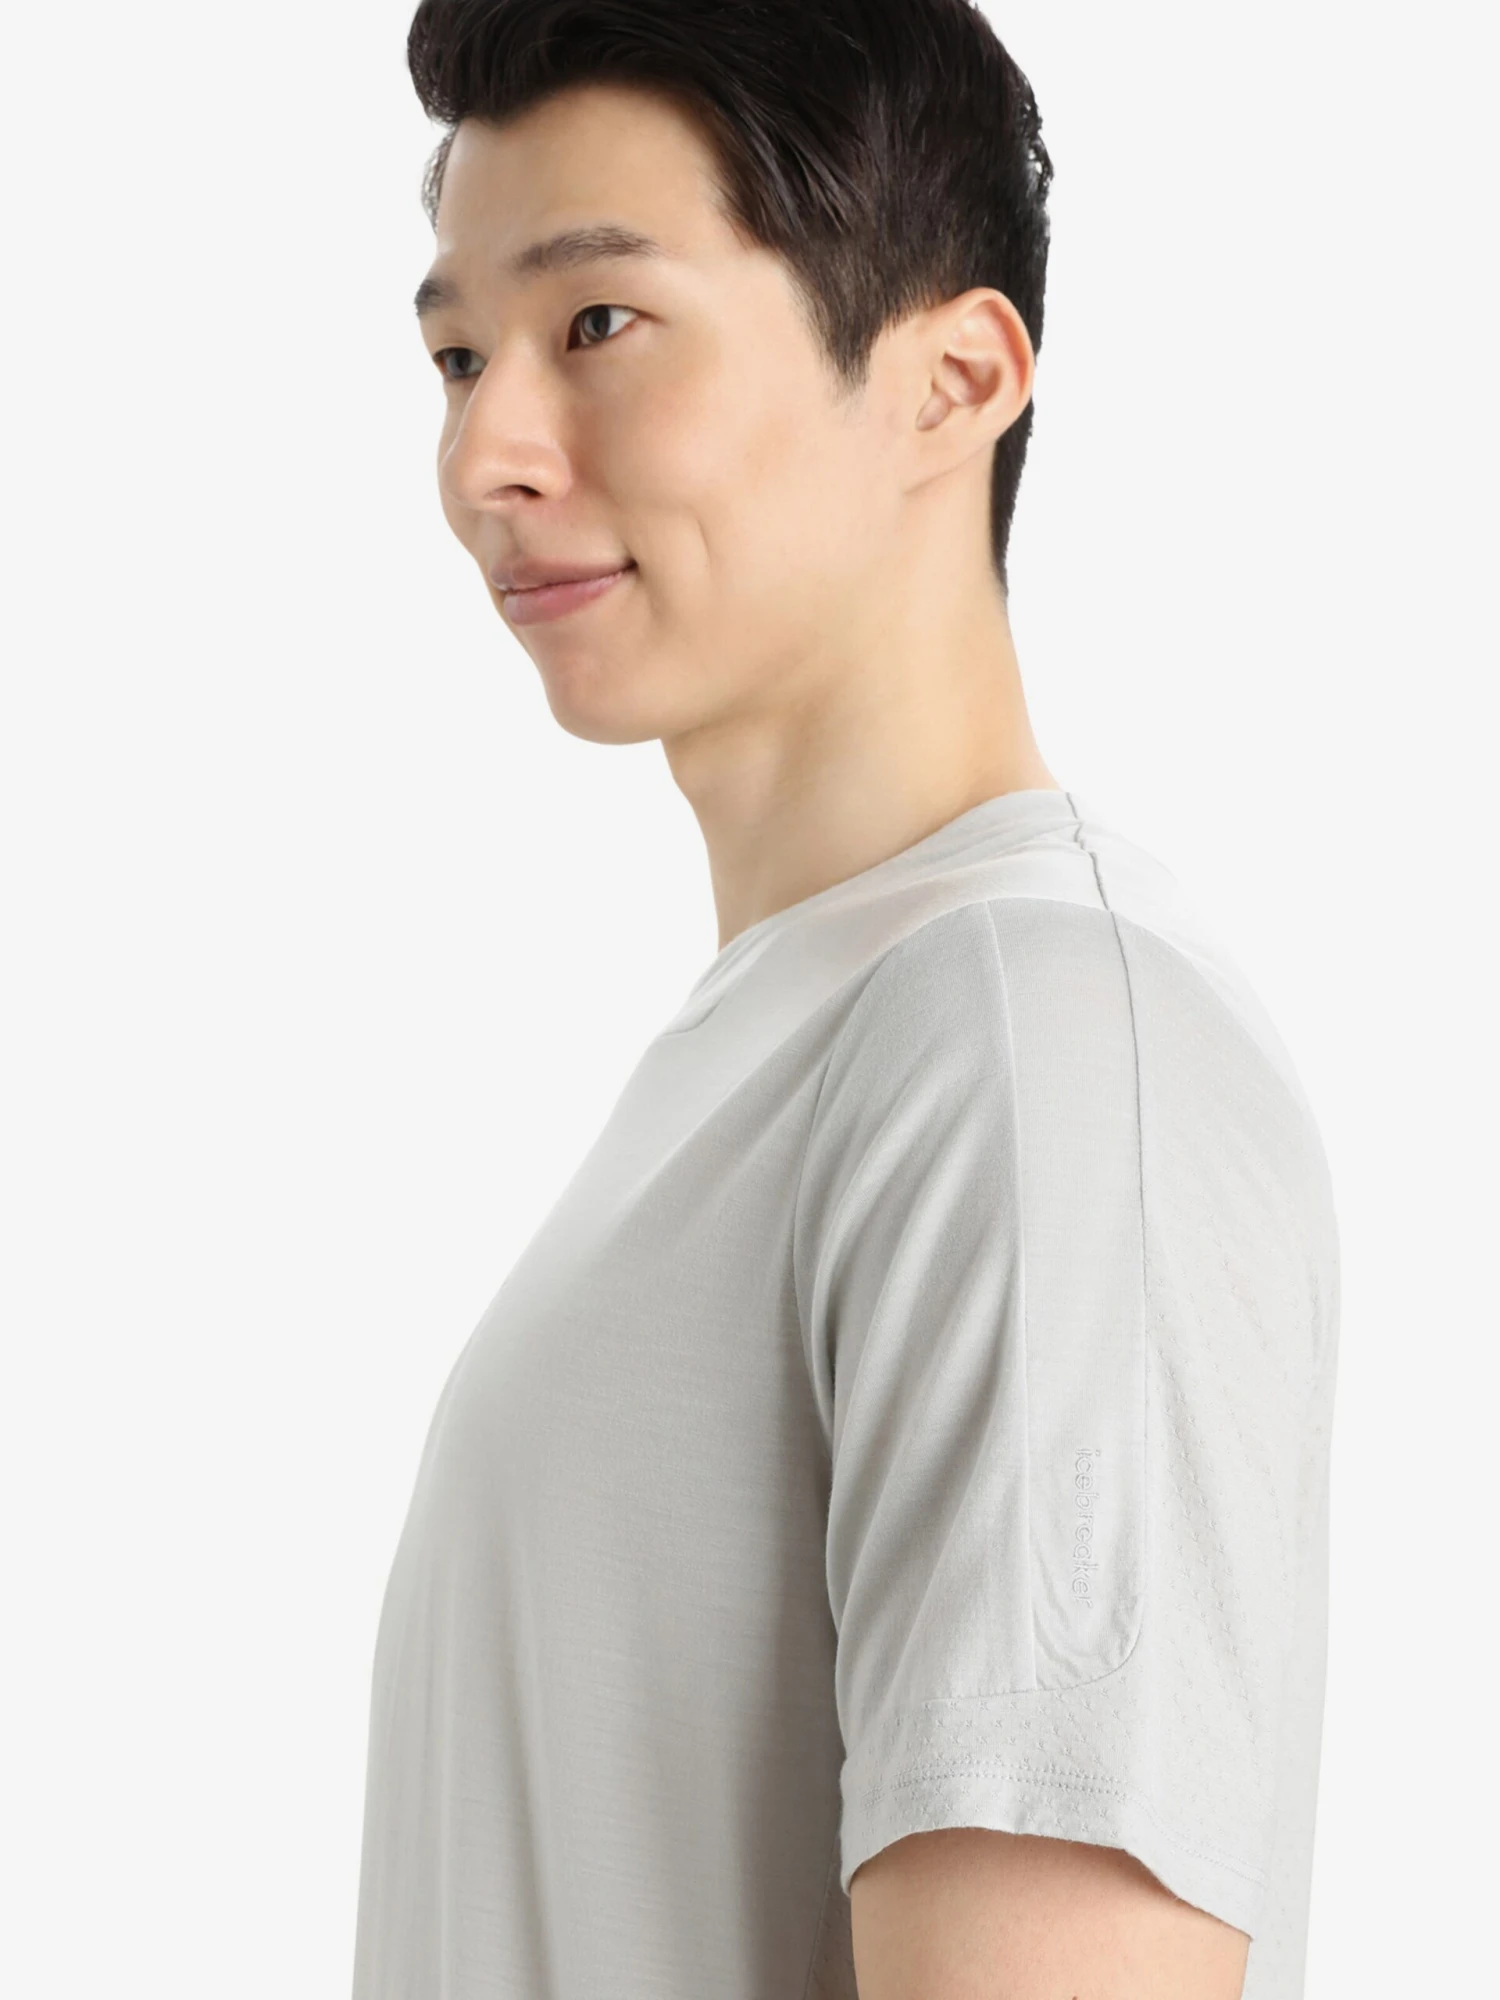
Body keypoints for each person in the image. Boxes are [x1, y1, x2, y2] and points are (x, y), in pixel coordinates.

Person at [351, 4, 1341, 1996]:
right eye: (458, 355)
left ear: (950, 382)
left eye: (599, 324)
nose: (484, 456)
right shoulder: (809, 1038)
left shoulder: (1032, 1042)